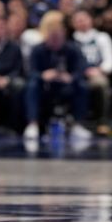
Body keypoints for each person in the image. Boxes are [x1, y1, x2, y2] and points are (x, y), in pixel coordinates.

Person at [24, 11, 90, 142]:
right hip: (45, 87)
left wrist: (70, 77)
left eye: (58, 37)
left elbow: (81, 70)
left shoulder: (73, 49)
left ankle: (77, 124)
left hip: (66, 86)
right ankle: (33, 124)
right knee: (31, 85)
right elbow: (30, 71)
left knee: (82, 85)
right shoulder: (38, 50)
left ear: (63, 35)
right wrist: (42, 75)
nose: (55, 40)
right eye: (52, 37)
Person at [71, 9, 112, 132]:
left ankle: (102, 120)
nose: (81, 23)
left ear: (91, 20)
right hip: (76, 75)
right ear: (73, 23)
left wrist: (100, 70)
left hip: (96, 73)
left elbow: (111, 61)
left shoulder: (101, 37)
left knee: (101, 83)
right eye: (78, 20)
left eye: (84, 19)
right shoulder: (70, 40)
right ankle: (75, 121)